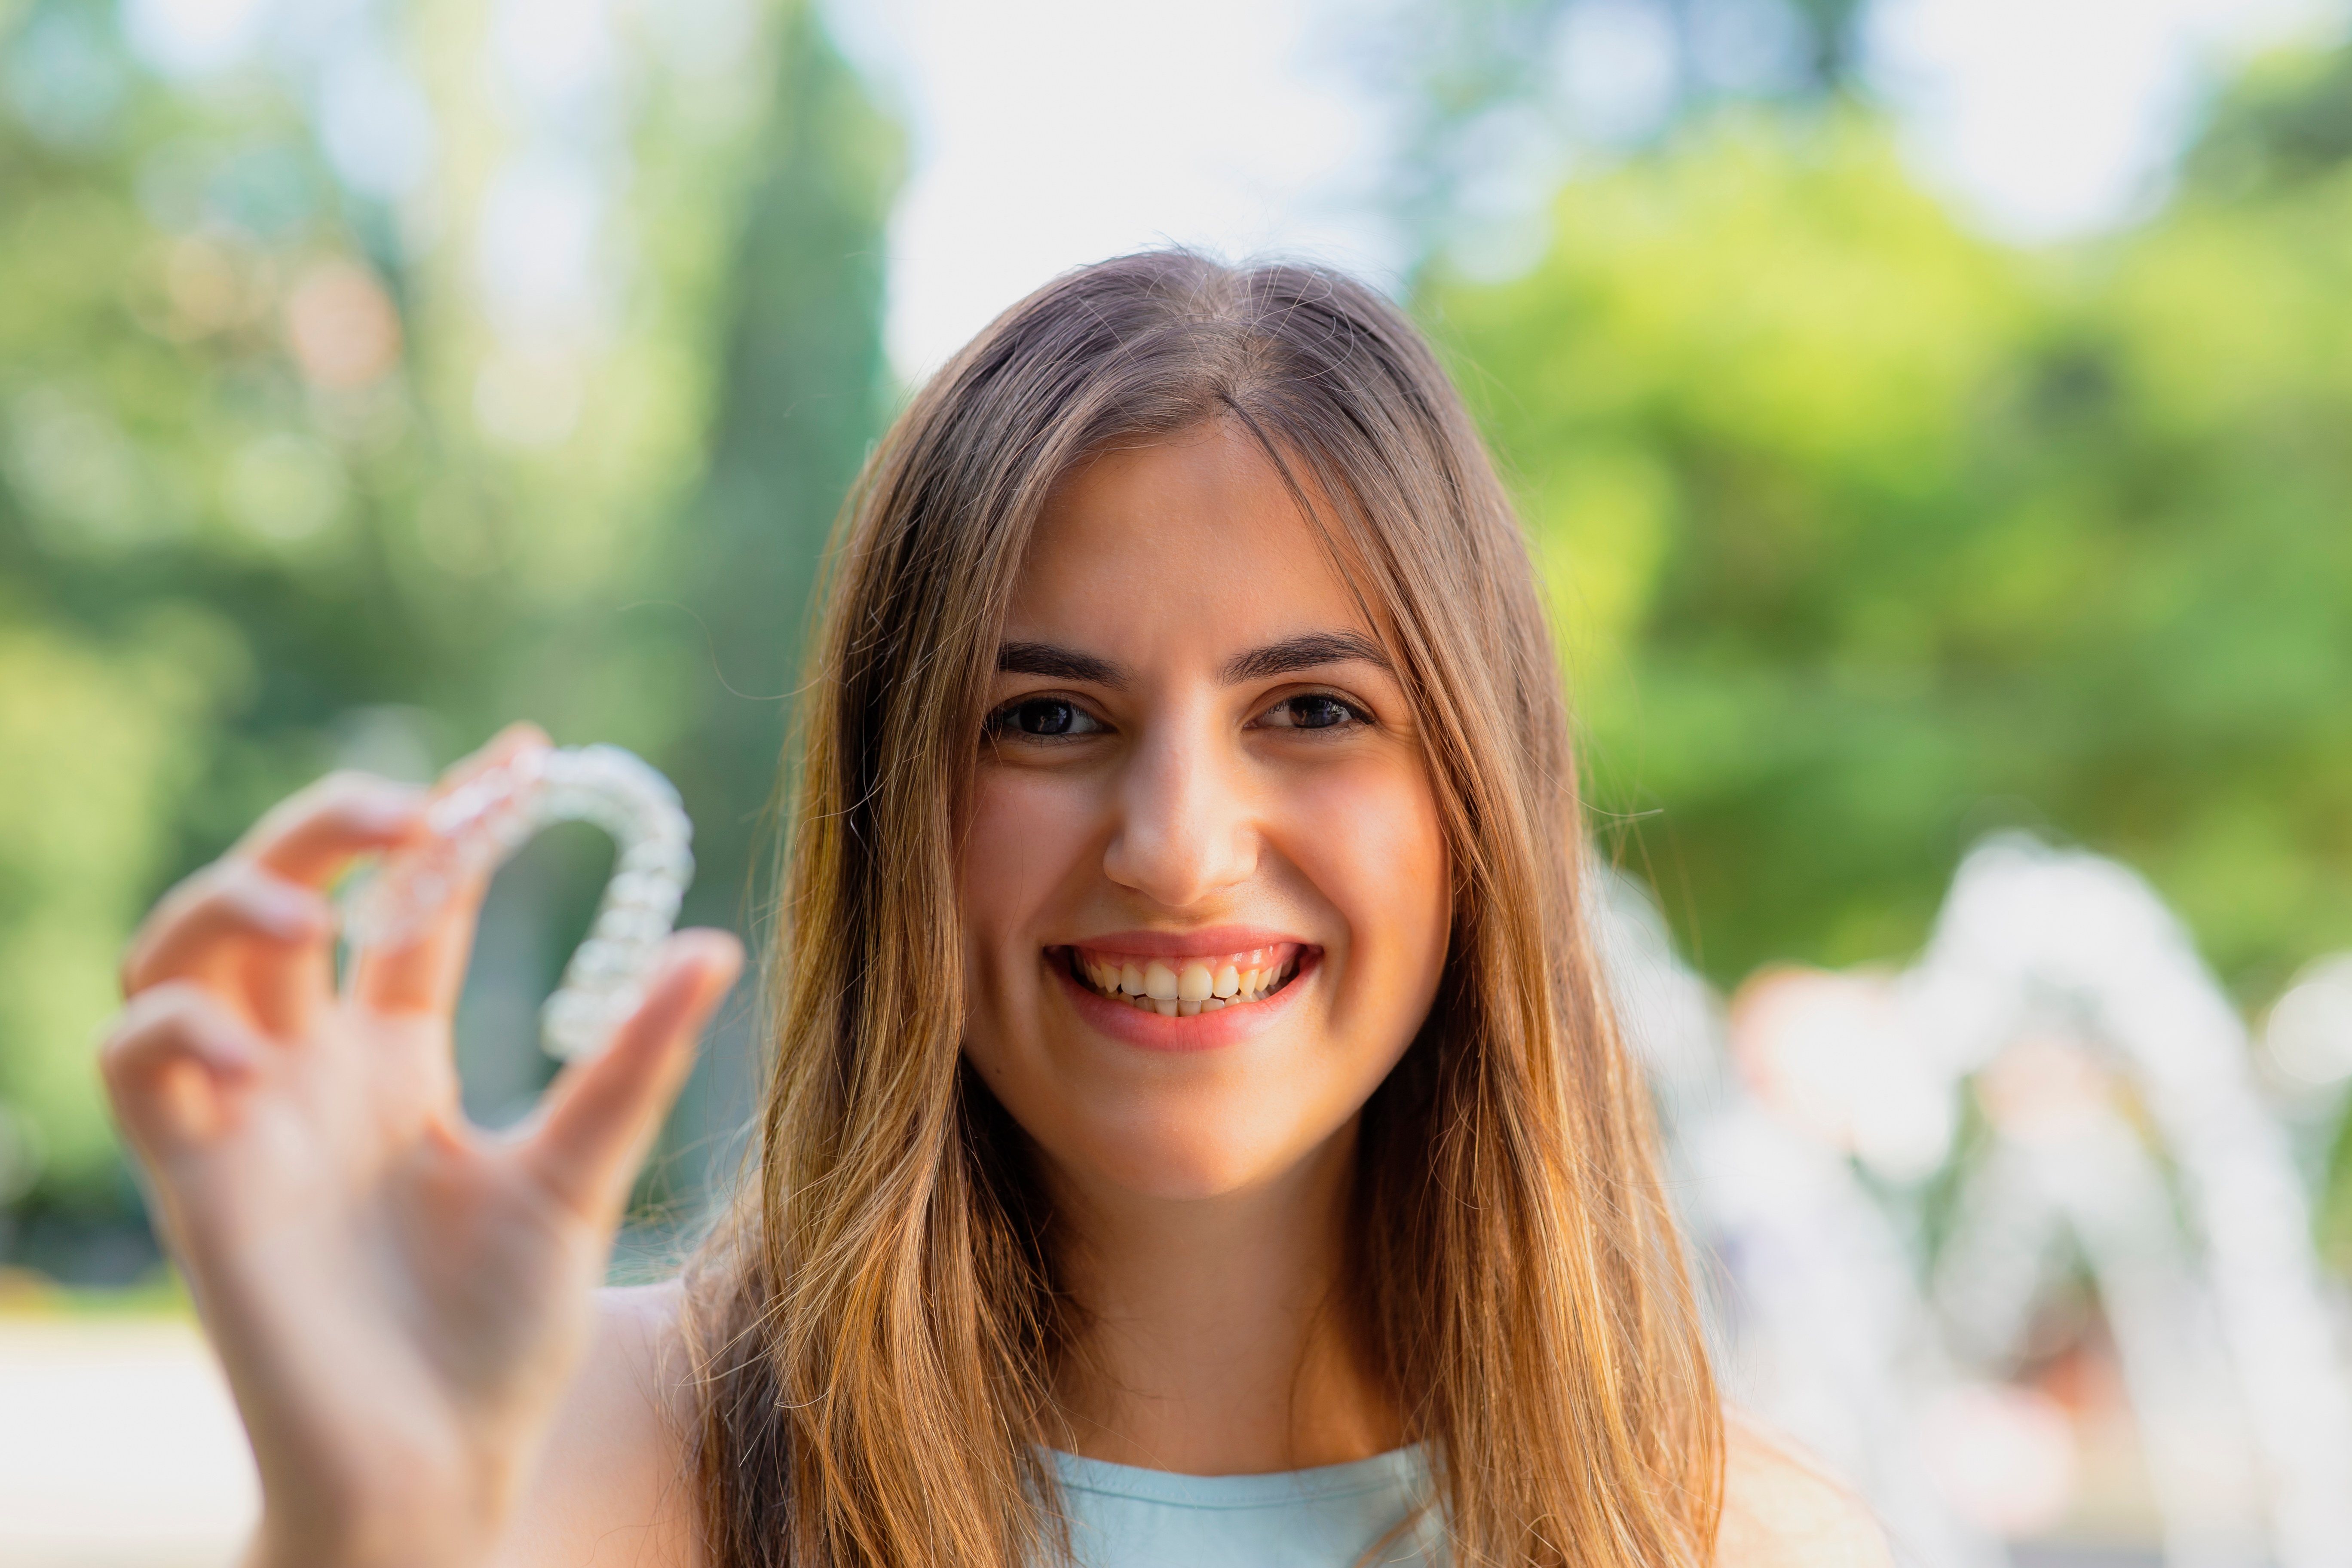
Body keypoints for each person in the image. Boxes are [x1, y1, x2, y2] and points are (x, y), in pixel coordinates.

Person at [103, 252, 1890, 1567]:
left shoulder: (1745, 1540)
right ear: (894, 812)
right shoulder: (588, 1461)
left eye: (1314, 712)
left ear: (1481, 806)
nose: (1177, 846)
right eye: (1045, 719)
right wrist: (369, 1530)